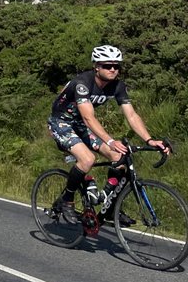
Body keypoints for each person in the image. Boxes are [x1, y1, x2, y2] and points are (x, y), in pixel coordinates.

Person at [49, 45, 171, 218]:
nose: (113, 69)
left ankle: (110, 205)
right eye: (107, 66)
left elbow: (131, 115)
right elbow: (89, 118)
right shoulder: (82, 83)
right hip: (61, 123)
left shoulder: (117, 86)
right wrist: (110, 141)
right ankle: (67, 200)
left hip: (81, 125)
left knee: (118, 157)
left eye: (116, 66)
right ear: (96, 66)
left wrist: (149, 140)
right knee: (88, 159)